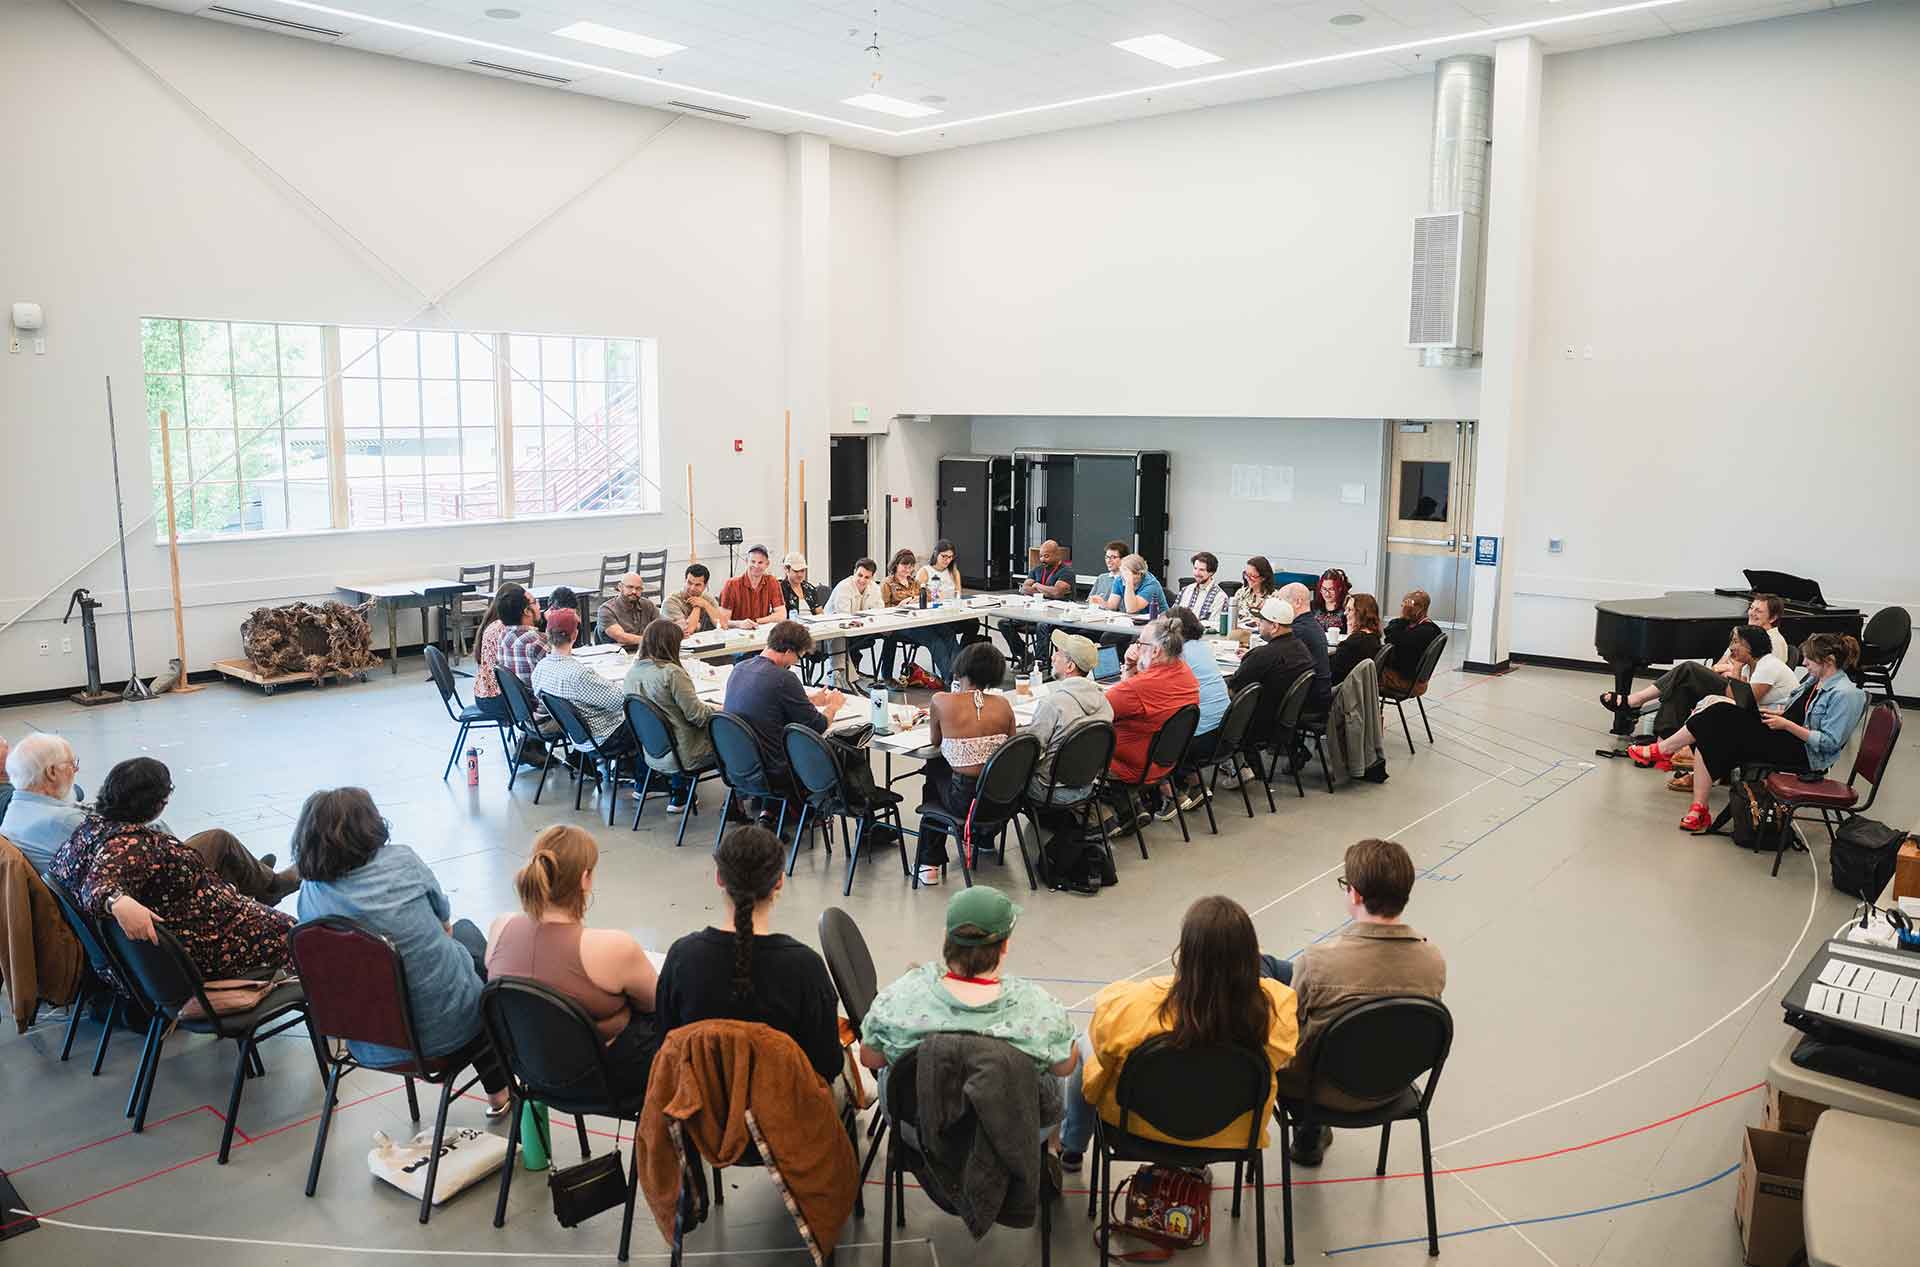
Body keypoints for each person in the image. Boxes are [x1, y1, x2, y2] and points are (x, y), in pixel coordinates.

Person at [294, 788, 510, 1113]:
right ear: (371, 824)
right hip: (443, 1036)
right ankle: (500, 1090)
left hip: (366, 1041)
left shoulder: (311, 891)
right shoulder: (402, 862)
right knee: (472, 946)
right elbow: (445, 928)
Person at [1059, 895, 1298, 1171]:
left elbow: (1100, 1065)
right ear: (1250, 956)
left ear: (1185, 951)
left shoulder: (1130, 1005)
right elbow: (1282, 1061)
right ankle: (1195, 1162)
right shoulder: (1276, 1010)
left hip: (1135, 1129)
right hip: (1232, 1135)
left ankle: (1072, 1147)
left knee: (1083, 1043)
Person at [1270, 838, 1444, 1166]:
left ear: (1356, 895)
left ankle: (1309, 1133)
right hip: (1392, 1086)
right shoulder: (1433, 962)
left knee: (1274, 978)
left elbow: (1290, 1035)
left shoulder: (1318, 962)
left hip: (1316, 1091)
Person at [51, 758, 294, 978]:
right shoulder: (129, 845)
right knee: (300, 936)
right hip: (202, 945)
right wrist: (117, 901)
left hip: (189, 920)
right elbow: (98, 886)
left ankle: (262, 887)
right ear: (158, 804)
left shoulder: (90, 829)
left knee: (218, 843)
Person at [654, 825, 843, 1085]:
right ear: (779, 881)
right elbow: (827, 1065)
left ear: (719, 878)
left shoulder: (682, 957)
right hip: (781, 1115)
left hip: (700, 1112)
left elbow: (666, 1045)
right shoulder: (805, 968)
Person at [1629, 633, 1868, 833]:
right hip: (1782, 733)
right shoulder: (1814, 681)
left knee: (1718, 715)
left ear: (1828, 661)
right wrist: (1767, 713)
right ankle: (1698, 807)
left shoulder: (1846, 695)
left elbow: (1829, 743)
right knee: (1712, 725)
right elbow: (1792, 709)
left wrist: (1786, 725)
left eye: (1809, 661)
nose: (1804, 665)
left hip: (1802, 752)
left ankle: (1663, 752)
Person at [488, 825, 659, 1103]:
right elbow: (658, 1003)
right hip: (603, 1082)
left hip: (527, 1072)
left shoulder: (500, 928)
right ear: (585, 879)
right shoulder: (613, 948)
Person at [860, 886, 1077, 1086]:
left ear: (946, 937)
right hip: (1009, 1124)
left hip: (919, 1122)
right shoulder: (1039, 1009)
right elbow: (1065, 1067)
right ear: (1004, 945)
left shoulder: (900, 997)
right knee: (1050, 1079)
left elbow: (869, 1058)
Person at [914, 641, 1017, 885]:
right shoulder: (1004, 705)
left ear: (961, 669)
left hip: (964, 800)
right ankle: (983, 837)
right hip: (1001, 799)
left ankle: (930, 863)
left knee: (933, 773)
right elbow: (1011, 751)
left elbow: (935, 741)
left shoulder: (941, 700)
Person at [1602, 624, 1797, 738]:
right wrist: (1737, 669)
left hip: (1772, 719)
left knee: (1689, 668)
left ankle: (1634, 701)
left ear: (1750, 646)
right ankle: (1664, 740)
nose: (1731, 647)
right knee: (1682, 687)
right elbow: (1738, 695)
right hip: (1752, 708)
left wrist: (1734, 669)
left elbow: (1744, 701)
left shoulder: (1767, 665)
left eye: (1736, 642)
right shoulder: (1748, 665)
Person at [721, 620, 845, 791]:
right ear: (788, 651)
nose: (795, 663)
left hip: (738, 766)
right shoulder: (783, 678)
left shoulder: (739, 668)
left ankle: (770, 809)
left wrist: (807, 700)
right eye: (798, 656)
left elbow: (767, 702)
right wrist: (833, 706)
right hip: (773, 771)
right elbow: (818, 725)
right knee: (840, 753)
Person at [1103, 617, 1199, 829]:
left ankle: (1104, 814)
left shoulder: (1138, 688)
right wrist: (1131, 666)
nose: (1136, 647)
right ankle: (1133, 804)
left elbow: (1101, 710)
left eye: (1140, 644)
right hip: (1165, 763)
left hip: (1129, 765)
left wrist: (1130, 669)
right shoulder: (1185, 673)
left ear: (1155, 651)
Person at [624, 619, 716, 812]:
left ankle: (677, 791)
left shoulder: (632, 673)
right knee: (733, 732)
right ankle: (740, 800)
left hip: (652, 752)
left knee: (675, 720)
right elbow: (697, 716)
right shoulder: (672, 673)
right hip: (684, 754)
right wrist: (720, 710)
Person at [1225, 596, 1316, 785]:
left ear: (1274, 626)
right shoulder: (1301, 649)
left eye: (1262, 621)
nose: (1258, 624)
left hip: (1256, 725)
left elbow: (1233, 690)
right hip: (1284, 722)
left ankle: (1238, 765)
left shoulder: (1262, 656)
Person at [530, 608, 637, 756]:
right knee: (649, 718)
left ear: (547, 634)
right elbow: (622, 702)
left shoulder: (540, 669)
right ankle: (645, 775)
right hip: (604, 738)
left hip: (577, 737)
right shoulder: (579, 674)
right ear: (575, 635)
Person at [1023, 632, 1114, 804]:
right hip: (1088, 786)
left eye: (1057, 653)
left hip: (1049, 790)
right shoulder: (1105, 703)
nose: (1052, 657)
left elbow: (1031, 751)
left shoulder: (1053, 704)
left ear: (1070, 666)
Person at [1166, 606, 1230, 812]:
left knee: (1149, 733)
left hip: (1197, 741)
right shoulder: (1203, 647)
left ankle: (1172, 795)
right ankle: (1195, 786)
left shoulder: (1178, 655)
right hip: (1222, 735)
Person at [2, 733, 89, 873]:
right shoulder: (65, 820)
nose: (76, 769)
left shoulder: (14, 809)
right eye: (72, 764)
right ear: (51, 772)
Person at [878, 548, 959, 684]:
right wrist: (901, 605)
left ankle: (957, 673)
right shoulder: (887, 583)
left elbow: (930, 595)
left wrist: (922, 597)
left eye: (910, 566)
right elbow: (881, 609)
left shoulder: (913, 582)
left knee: (948, 633)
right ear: (896, 565)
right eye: (904, 565)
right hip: (900, 624)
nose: (908, 569)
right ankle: (950, 680)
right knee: (935, 641)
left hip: (920, 621)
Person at [1006, 539, 1075, 670]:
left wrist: (1037, 585)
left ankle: (1040, 662)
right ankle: (1025, 656)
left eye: (1046, 556)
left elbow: (1057, 592)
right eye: (1041, 556)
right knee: (1004, 623)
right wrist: (1045, 589)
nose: (1043, 559)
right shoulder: (1037, 569)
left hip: (1058, 615)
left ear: (1057, 555)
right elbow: (1024, 588)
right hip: (1035, 612)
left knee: (1042, 624)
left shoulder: (1066, 572)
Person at [825, 557, 886, 691]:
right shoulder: (844, 587)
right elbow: (844, 616)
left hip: (860, 629)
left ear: (872, 577)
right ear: (854, 572)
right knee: (841, 639)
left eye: (867, 577)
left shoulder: (874, 587)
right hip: (834, 630)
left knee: (889, 634)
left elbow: (879, 610)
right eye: (860, 575)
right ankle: (844, 678)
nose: (862, 580)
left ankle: (851, 678)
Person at [471, 582, 528, 723]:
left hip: (485, 694)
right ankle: (531, 737)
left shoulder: (491, 623)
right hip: (496, 698)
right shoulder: (504, 629)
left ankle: (529, 738)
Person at [1276, 582, 1332, 713]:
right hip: (1319, 695)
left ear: (1297, 602)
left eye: (1281, 602)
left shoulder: (1298, 631)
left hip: (1307, 702)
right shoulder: (1312, 624)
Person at [1381, 589, 1444, 694]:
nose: (1404, 610)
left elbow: (1391, 638)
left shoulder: (1425, 631)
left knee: (1363, 675)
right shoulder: (1423, 628)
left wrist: (1403, 617)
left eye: (1407, 607)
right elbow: (1390, 634)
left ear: (1419, 609)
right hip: (1411, 679)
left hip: (1408, 682)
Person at [495, 586, 550, 689]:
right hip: (540, 703)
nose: (539, 607)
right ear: (527, 611)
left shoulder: (502, 636)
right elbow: (561, 672)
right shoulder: (536, 641)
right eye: (535, 602)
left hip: (518, 704)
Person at [718, 545, 784, 629]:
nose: (756, 566)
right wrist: (739, 624)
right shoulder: (731, 584)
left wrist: (756, 621)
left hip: (761, 631)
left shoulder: (772, 582)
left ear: (767, 564)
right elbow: (722, 621)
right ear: (746, 561)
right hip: (737, 634)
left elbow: (781, 615)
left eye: (760, 562)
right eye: (753, 562)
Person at [1328, 593, 1384, 688]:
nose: (1345, 613)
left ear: (1360, 613)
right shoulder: (1373, 637)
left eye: (1349, 610)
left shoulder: (1354, 643)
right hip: (1356, 689)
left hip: (1340, 691)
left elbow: (1332, 672)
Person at [597, 573, 661, 648]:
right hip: (617, 654)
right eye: (630, 587)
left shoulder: (648, 605)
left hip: (645, 651)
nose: (634, 591)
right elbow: (621, 637)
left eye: (638, 588)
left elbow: (662, 628)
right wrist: (652, 640)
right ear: (620, 587)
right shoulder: (607, 609)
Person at [663, 563, 728, 636]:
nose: (692, 588)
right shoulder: (671, 602)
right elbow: (687, 631)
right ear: (685, 581)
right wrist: (697, 606)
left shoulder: (708, 599)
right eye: (689, 583)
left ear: (705, 586)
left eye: (697, 585)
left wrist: (705, 604)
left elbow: (723, 626)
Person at [1176, 552, 1232, 627]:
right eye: (1195, 568)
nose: (1196, 573)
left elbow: (1214, 627)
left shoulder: (1220, 597)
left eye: (1201, 570)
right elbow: (1172, 615)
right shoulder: (1185, 590)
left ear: (1211, 572)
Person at [1234, 556, 1278, 627]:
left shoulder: (1275, 597)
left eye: (1253, 576)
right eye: (1246, 575)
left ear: (1263, 577)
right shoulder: (1241, 593)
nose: (1248, 579)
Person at [779, 552, 827, 616]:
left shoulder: (810, 588)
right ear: (786, 570)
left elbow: (820, 613)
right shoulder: (780, 589)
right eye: (796, 571)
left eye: (802, 571)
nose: (800, 575)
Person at [1310, 569, 1352, 634]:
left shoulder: (1348, 606)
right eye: (1324, 589)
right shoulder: (1313, 605)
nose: (1327, 593)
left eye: (1331, 589)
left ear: (1340, 589)